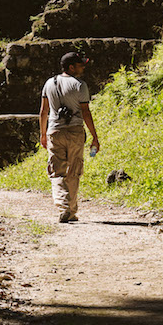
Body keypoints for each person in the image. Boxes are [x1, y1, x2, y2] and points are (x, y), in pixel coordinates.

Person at [39, 51, 101, 223]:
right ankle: (69, 209)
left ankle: (66, 209)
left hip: (55, 132)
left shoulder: (49, 83)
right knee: (73, 171)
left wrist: (43, 134)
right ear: (71, 67)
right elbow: (86, 112)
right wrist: (94, 137)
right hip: (75, 131)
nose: (83, 66)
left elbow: (44, 111)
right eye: (80, 64)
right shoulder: (80, 85)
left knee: (57, 172)